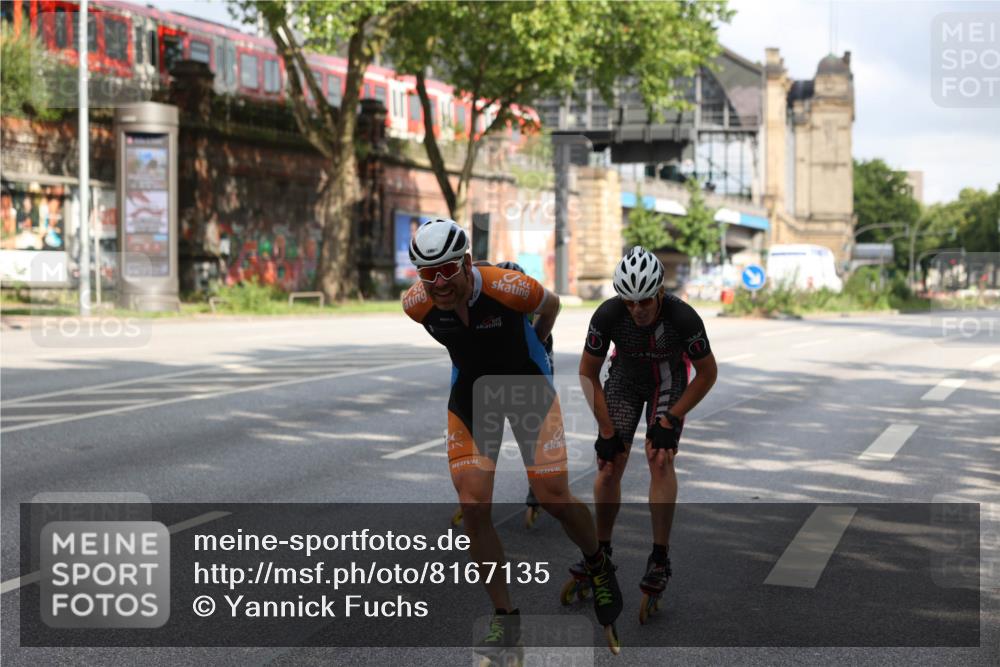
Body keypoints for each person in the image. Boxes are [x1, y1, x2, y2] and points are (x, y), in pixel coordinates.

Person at [402, 219, 623, 656]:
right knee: (473, 506)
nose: (440, 283)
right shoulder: (416, 305)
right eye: (429, 275)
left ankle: (598, 565)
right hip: (471, 394)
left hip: (526, 386)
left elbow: (553, 305)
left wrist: (537, 347)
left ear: (467, 263)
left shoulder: (508, 288)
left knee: (553, 495)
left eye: (448, 270)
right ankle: (505, 620)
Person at [577, 246, 717, 616]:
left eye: (644, 301)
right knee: (608, 464)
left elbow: (707, 374)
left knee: (659, 458)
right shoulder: (608, 314)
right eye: (629, 302)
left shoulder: (682, 317)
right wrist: (606, 431)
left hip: (668, 382)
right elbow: (587, 373)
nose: (637, 310)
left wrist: (672, 418)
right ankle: (600, 553)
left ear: (659, 293)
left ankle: (659, 558)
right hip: (623, 380)